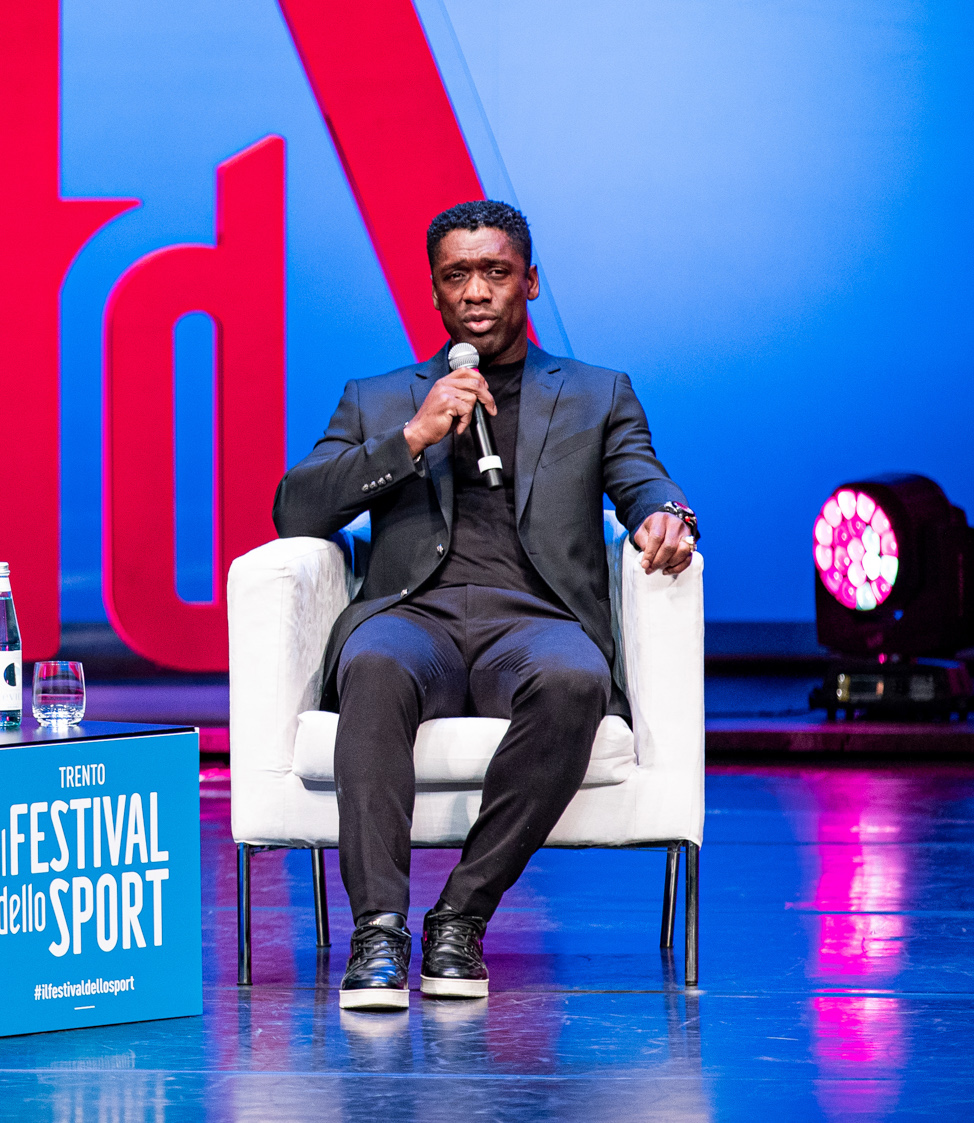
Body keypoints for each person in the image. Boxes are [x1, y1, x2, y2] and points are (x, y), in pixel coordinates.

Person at [272, 201, 696, 1011]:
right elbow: (296, 511)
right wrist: (411, 437)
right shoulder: (380, 396)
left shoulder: (596, 394)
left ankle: (460, 916)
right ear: (433, 294)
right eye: (456, 276)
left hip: (532, 621)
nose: (476, 291)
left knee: (575, 681)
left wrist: (665, 513)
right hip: (414, 614)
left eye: (495, 272)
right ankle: (379, 929)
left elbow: (643, 475)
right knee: (371, 666)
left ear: (529, 283)